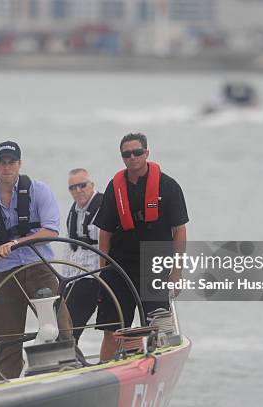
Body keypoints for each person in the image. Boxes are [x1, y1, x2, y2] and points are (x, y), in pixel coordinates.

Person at [0, 140, 71, 380]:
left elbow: (51, 230)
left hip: (39, 268)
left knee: (61, 327)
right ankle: (4, 385)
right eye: (2, 162)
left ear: (19, 164)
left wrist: (16, 244)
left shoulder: (39, 190)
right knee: (5, 338)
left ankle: (67, 371)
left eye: (11, 162)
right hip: (6, 274)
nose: (7, 167)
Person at [94, 133, 188, 361]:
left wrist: (176, 273)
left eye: (137, 152)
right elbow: (104, 233)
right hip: (119, 268)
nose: (132, 157)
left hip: (154, 268)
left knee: (157, 330)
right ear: (122, 157)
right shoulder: (114, 187)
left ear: (147, 153)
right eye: (127, 154)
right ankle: (106, 369)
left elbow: (180, 231)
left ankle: (154, 369)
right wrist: (103, 272)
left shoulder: (168, 186)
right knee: (112, 331)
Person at [62, 168, 103, 344]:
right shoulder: (73, 212)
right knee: (57, 320)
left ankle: (68, 352)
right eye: (73, 188)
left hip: (93, 277)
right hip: (72, 278)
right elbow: (71, 248)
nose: (78, 191)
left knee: (69, 327)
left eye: (82, 185)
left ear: (92, 185)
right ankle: (67, 354)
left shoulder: (104, 207)